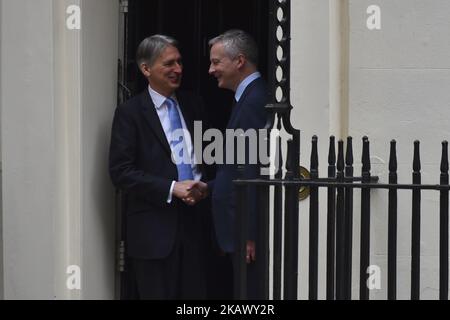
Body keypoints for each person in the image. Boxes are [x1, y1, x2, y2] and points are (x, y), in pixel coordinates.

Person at [109, 34, 209, 300]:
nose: (178, 69)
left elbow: (208, 157)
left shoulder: (194, 104)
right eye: (169, 64)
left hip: (194, 227)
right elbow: (120, 171)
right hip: (153, 234)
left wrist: (205, 186)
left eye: (179, 62)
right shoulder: (130, 113)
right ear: (146, 69)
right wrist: (172, 188)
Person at [194, 29, 269, 299]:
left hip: (243, 233)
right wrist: (210, 187)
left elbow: (251, 171)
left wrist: (249, 234)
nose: (211, 69)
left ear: (239, 61)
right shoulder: (248, 98)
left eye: (216, 62)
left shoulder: (253, 102)